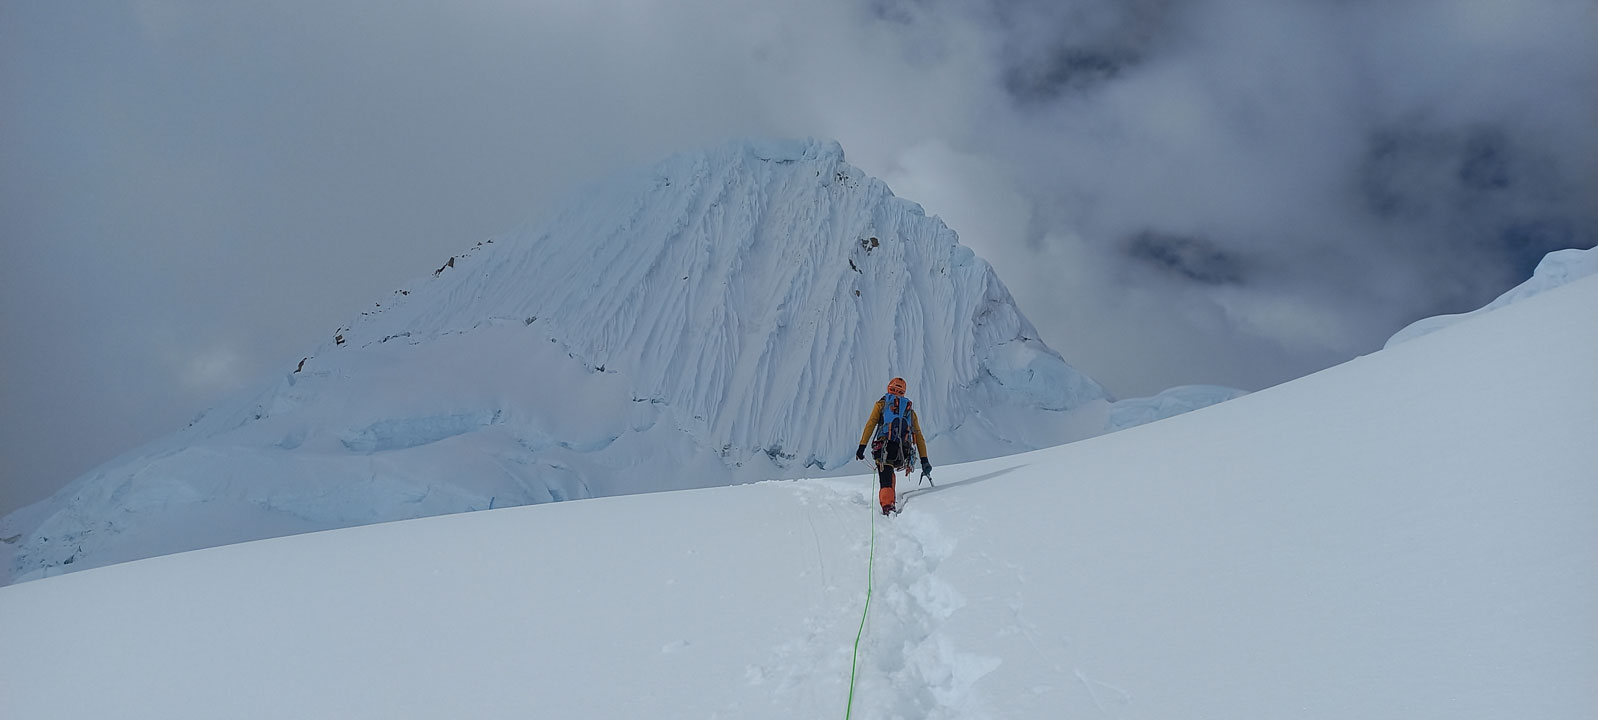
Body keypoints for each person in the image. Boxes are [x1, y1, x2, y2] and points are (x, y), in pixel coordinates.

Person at [855, 377, 932, 515]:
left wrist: (862, 446)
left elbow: (871, 424)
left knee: (885, 473)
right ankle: (891, 500)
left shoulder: (882, 404)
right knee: (890, 471)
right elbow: (919, 436)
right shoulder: (909, 411)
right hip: (903, 452)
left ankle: (887, 506)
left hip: (884, 447)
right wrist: (924, 459)